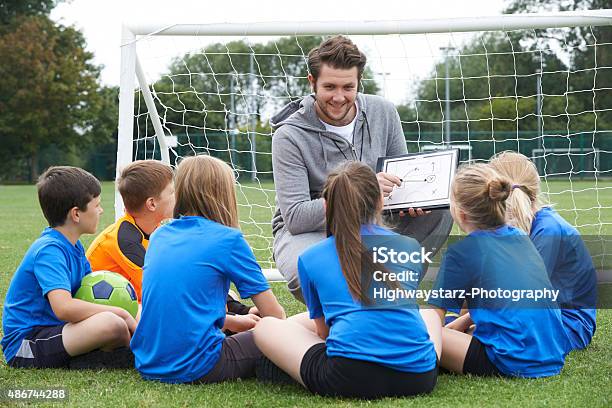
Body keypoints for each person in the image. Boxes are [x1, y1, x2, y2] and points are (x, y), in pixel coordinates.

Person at [271, 35, 453, 302]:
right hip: (316, 230)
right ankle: (346, 319)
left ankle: (393, 285)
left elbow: (399, 179)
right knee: (307, 271)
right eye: (329, 87)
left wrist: (412, 199)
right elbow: (297, 218)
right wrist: (358, 193)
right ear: (312, 82)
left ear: (359, 83)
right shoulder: (288, 136)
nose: (338, 97)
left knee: (440, 213)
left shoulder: (384, 112)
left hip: (375, 218)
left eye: (348, 87)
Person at [254, 162, 441, 399]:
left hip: (349, 377)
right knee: (429, 315)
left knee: (267, 327)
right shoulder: (411, 247)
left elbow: (324, 334)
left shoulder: (310, 257)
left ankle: (282, 362)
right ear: (381, 202)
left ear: (326, 206)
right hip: (420, 376)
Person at [131, 155, 286, 384]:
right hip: (200, 365)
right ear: (224, 194)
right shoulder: (228, 239)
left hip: (148, 362)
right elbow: (276, 316)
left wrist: (234, 321)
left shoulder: (159, 234)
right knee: (298, 327)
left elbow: (183, 307)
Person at [428, 163, 570, 377]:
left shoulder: (462, 252)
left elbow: (434, 313)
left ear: (461, 213)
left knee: (419, 327)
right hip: (551, 355)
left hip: (508, 361)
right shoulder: (521, 237)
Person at [1, 167, 136, 369]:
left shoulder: (74, 246)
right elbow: (64, 308)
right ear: (76, 214)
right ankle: (114, 357)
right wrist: (121, 314)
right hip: (27, 344)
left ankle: (129, 351)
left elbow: (87, 296)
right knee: (113, 322)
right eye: (97, 205)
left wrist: (128, 311)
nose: (100, 211)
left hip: (59, 331)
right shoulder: (49, 251)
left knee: (133, 309)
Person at [86, 160, 255, 317]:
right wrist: (231, 318)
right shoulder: (125, 242)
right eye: (172, 192)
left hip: (145, 302)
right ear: (152, 204)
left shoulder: (158, 231)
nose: (179, 196)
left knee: (226, 293)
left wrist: (241, 310)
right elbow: (173, 292)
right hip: (113, 314)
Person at [489, 151, 597, 350]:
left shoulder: (549, 230)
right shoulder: (514, 227)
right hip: (538, 317)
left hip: (567, 326)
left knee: (473, 339)